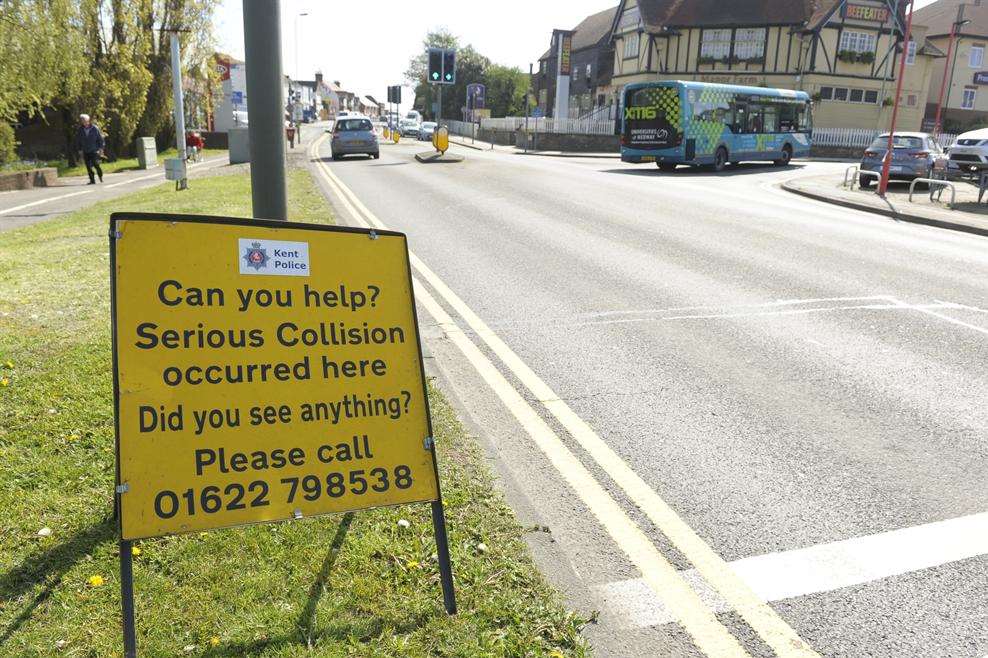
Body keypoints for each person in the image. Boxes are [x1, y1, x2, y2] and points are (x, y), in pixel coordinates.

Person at [74, 114, 105, 184]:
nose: (83, 122)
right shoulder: (80, 130)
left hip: (94, 150)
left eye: (84, 120)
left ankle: (100, 175)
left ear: (88, 120)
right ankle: (92, 180)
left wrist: (101, 149)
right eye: (82, 121)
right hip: (85, 150)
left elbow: (100, 139)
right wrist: (80, 150)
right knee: (88, 166)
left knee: (95, 164)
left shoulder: (94, 128)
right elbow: (78, 140)